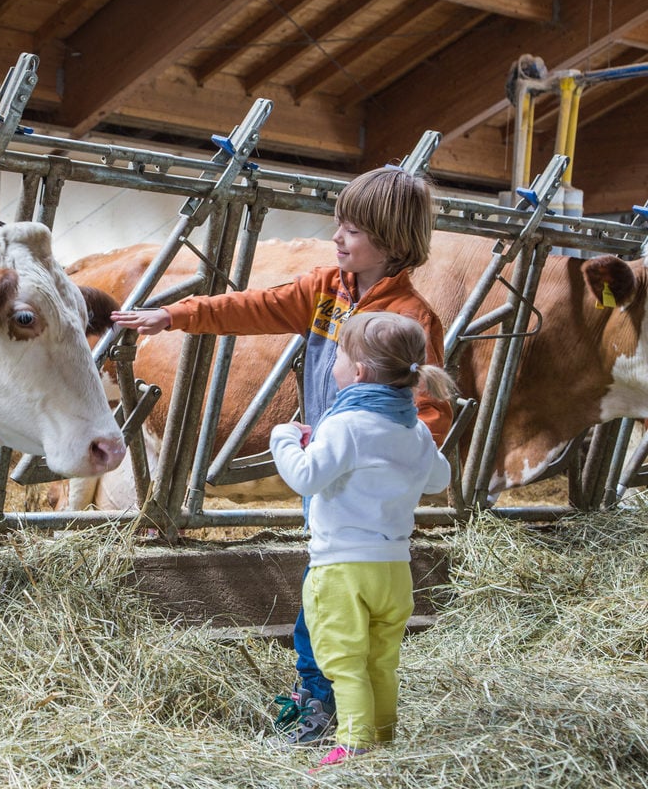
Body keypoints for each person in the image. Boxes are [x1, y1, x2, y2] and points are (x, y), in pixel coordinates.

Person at [110, 166, 452, 746]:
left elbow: (428, 416)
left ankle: (321, 707)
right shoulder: (326, 289)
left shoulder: (409, 319)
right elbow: (255, 306)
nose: (337, 237)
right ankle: (354, 712)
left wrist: (371, 461)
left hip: (358, 489)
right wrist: (176, 315)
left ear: (393, 243)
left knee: (327, 601)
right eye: (338, 224)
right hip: (329, 470)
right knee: (333, 594)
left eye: (353, 229)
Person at [268, 311, 454, 768]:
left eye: (339, 355)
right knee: (381, 660)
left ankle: (354, 743)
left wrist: (284, 437)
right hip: (394, 570)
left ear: (359, 372)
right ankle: (386, 736)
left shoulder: (345, 424)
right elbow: (439, 479)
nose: (333, 363)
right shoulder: (414, 428)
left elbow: (306, 477)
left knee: (344, 661)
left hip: (342, 569)